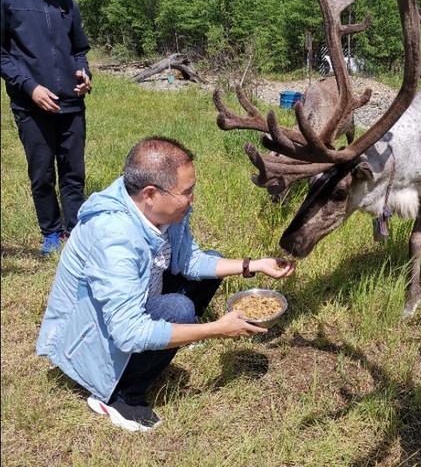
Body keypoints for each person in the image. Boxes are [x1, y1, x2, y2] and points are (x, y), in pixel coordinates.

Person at [36, 136, 296, 432]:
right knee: (179, 308)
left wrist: (254, 265)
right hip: (90, 341)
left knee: (213, 264)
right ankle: (119, 395)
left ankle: (170, 338)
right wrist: (214, 330)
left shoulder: (159, 211)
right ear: (150, 193)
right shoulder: (114, 238)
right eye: (186, 192)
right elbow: (128, 332)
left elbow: (190, 261)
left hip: (136, 301)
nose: (192, 199)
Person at [1, 0, 92, 255]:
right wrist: (30, 87)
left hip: (72, 104)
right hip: (31, 104)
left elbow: (79, 50)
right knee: (41, 174)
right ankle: (51, 232)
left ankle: (74, 230)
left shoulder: (66, 2)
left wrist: (84, 73)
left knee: (73, 173)